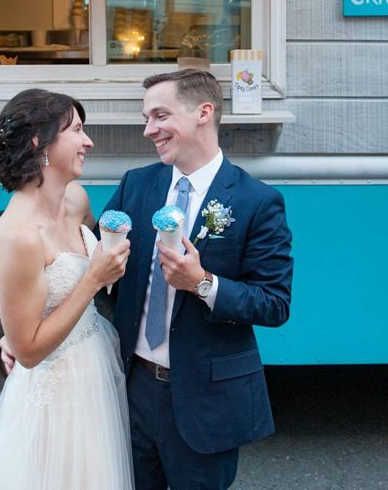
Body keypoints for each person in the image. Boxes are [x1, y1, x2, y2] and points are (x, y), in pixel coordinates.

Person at [106, 68, 294, 490]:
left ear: (203, 113)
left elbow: (274, 303)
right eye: (146, 119)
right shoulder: (136, 185)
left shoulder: (256, 201)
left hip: (207, 400)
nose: (148, 130)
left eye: (160, 116)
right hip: (135, 389)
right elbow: (96, 268)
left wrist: (203, 282)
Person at [0, 89, 134, 490]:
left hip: (95, 366)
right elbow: (27, 351)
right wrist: (93, 280)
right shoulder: (18, 236)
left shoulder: (76, 200)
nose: (88, 142)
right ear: (38, 143)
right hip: (55, 389)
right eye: (76, 130)